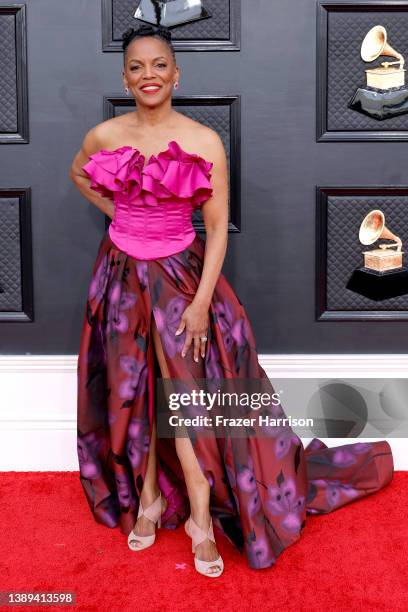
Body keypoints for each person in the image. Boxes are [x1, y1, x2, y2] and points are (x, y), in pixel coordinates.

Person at [70, 24, 394, 578]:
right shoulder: (105, 135)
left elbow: (217, 229)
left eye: (159, 65)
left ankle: (199, 512)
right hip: (121, 276)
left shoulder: (202, 141)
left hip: (181, 278)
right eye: (137, 66)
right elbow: (80, 173)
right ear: (124, 76)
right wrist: (124, 217)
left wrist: (199, 305)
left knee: (186, 397)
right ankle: (147, 500)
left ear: (177, 73)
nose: (149, 75)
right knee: (135, 391)